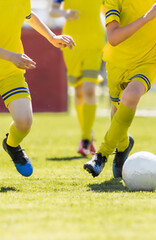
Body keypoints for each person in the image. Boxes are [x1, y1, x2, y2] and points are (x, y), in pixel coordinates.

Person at [0, 0, 76, 187]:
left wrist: (52, 37)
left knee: (25, 122)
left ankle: (12, 145)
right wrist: (12, 56)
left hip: (11, 72)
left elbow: (29, 15)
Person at [82, 0, 156, 178]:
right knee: (118, 117)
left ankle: (101, 156)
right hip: (117, 64)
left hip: (148, 62)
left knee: (131, 96)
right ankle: (123, 147)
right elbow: (113, 38)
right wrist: (148, 16)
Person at [50, 0, 105, 156]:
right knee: (79, 91)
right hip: (71, 43)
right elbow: (52, 11)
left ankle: (86, 138)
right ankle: (87, 135)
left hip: (94, 42)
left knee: (89, 89)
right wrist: (64, 13)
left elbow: (108, 11)